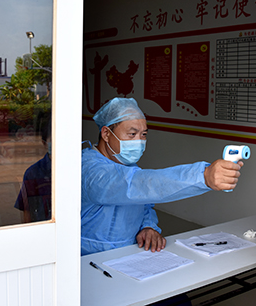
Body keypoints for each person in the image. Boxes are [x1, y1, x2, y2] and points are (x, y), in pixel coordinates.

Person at [81, 97, 243, 256]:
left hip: (128, 254)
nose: (139, 141)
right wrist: (203, 176)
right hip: (89, 258)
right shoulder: (90, 170)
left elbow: (144, 203)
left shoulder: (126, 165)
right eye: (132, 134)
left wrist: (148, 226)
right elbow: (137, 186)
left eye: (143, 134)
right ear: (106, 134)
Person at [14, 117, 52, 223]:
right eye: (53, 140)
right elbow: (27, 210)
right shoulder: (33, 173)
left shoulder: (75, 168)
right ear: (44, 143)